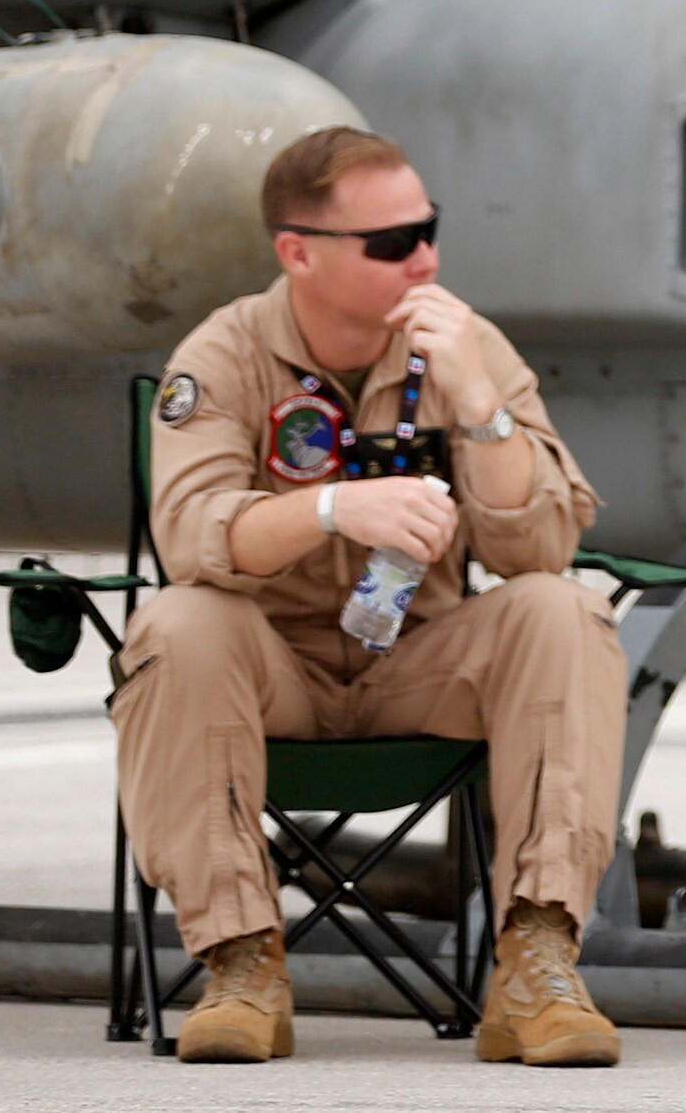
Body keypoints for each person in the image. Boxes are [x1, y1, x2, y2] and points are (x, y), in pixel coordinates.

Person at [111, 124, 626, 1068]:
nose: (422, 256)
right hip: (269, 673)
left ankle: (538, 959)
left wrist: (481, 405)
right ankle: (240, 962)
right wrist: (336, 508)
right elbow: (190, 537)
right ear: (299, 254)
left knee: (565, 610)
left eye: (428, 229)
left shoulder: (466, 345)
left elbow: (540, 546)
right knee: (176, 622)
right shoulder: (223, 355)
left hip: (419, 666)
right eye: (392, 243)